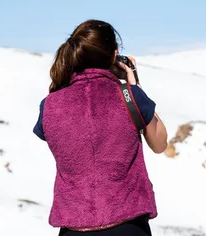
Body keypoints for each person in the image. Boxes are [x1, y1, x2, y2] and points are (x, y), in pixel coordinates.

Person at [32, 20, 168, 235]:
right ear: (114, 56)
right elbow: (160, 144)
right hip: (128, 225)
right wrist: (135, 87)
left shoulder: (50, 104)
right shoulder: (130, 97)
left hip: (73, 226)